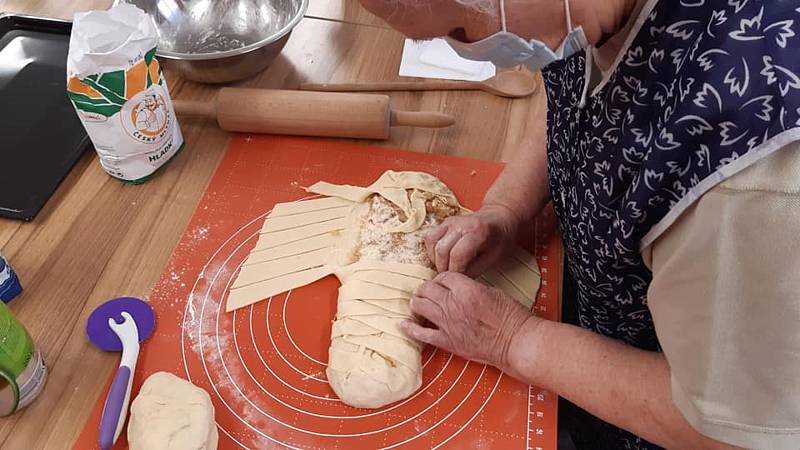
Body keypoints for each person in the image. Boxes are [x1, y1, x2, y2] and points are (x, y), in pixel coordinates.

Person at [357, 1, 800, 449]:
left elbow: (725, 430)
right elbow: (569, 91)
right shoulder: (581, 14)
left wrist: (514, 339)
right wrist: (505, 208)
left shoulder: (749, 183)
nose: (472, 53)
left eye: (459, 29)